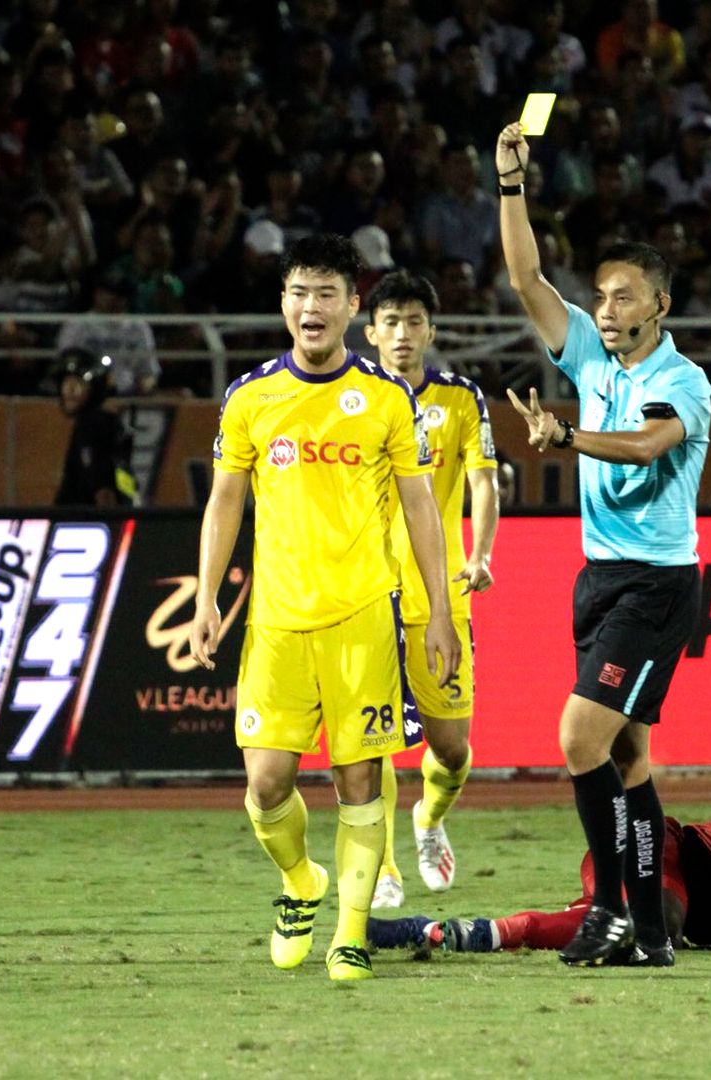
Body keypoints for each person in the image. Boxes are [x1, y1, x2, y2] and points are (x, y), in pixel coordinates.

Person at [188, 234, 463, 982]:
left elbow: (421, 511)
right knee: (267, 784)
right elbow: (224, 502)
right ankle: (300, 881)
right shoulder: (250, 397)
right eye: (298, 292)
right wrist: (208, 597)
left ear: (351, 307)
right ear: (284, 302)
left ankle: (350, 932)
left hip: (364, 617)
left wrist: (439, 611)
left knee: (358, 783)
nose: (310, 308)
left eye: (326, 294)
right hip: (276, 621)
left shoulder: (385, 398)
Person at [494, 120, 711, 968]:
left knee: (578, 738)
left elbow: (648, 445)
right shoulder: (592, 355)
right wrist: (512, 185)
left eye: (625, 296)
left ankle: (614, 909)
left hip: (658, 587)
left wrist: (568, 439)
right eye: (602, 295)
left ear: (660, 304)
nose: (606, 309)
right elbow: (524, 276)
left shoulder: (677, 379)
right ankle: (653, 936)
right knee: (627, 758)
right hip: (600, 579)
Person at [361, 270, 501, 909]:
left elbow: (483, 482)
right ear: (370, 333)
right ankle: (383, 865)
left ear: (432, 331)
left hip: (438, 598)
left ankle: (429, 818)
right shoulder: (352, 399)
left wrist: (480, 554)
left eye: (414, 321)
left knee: (451, 747)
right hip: (362, 594)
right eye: (390, 322)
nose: (402, 334)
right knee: (375, 739)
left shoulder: (462, 399)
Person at [368, 810, 711, 954]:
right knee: (658, 931)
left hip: (651, 887)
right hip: (657, 844)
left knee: (594, 929)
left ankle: (434, 932)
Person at [51, 348, 136, 506]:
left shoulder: (92, 425)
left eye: (78, 382)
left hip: (85, 525)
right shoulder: (110, 423)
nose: (70, 390)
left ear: (95, 387)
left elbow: (104, 491)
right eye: (66, 381)